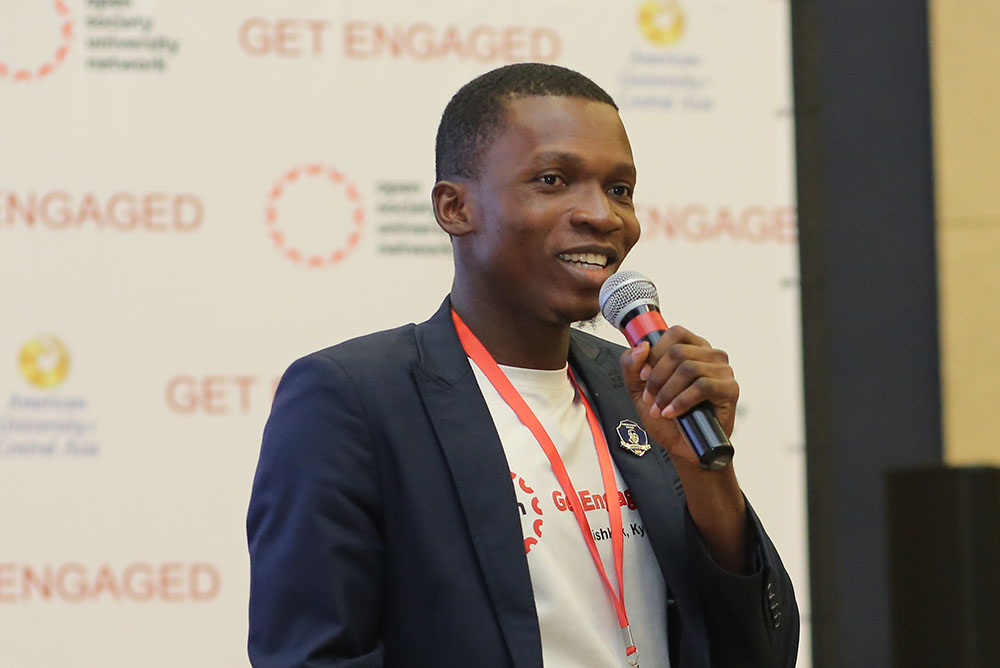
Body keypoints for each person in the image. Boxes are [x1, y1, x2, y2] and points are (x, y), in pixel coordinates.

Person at [247, 62, 798, 668]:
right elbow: (314, 656)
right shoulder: (353, 400)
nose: (603, 215)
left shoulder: (641, 389)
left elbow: (760, 653)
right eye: (554, 180)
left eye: (620, 190)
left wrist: (706, 474)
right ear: (455, 207)